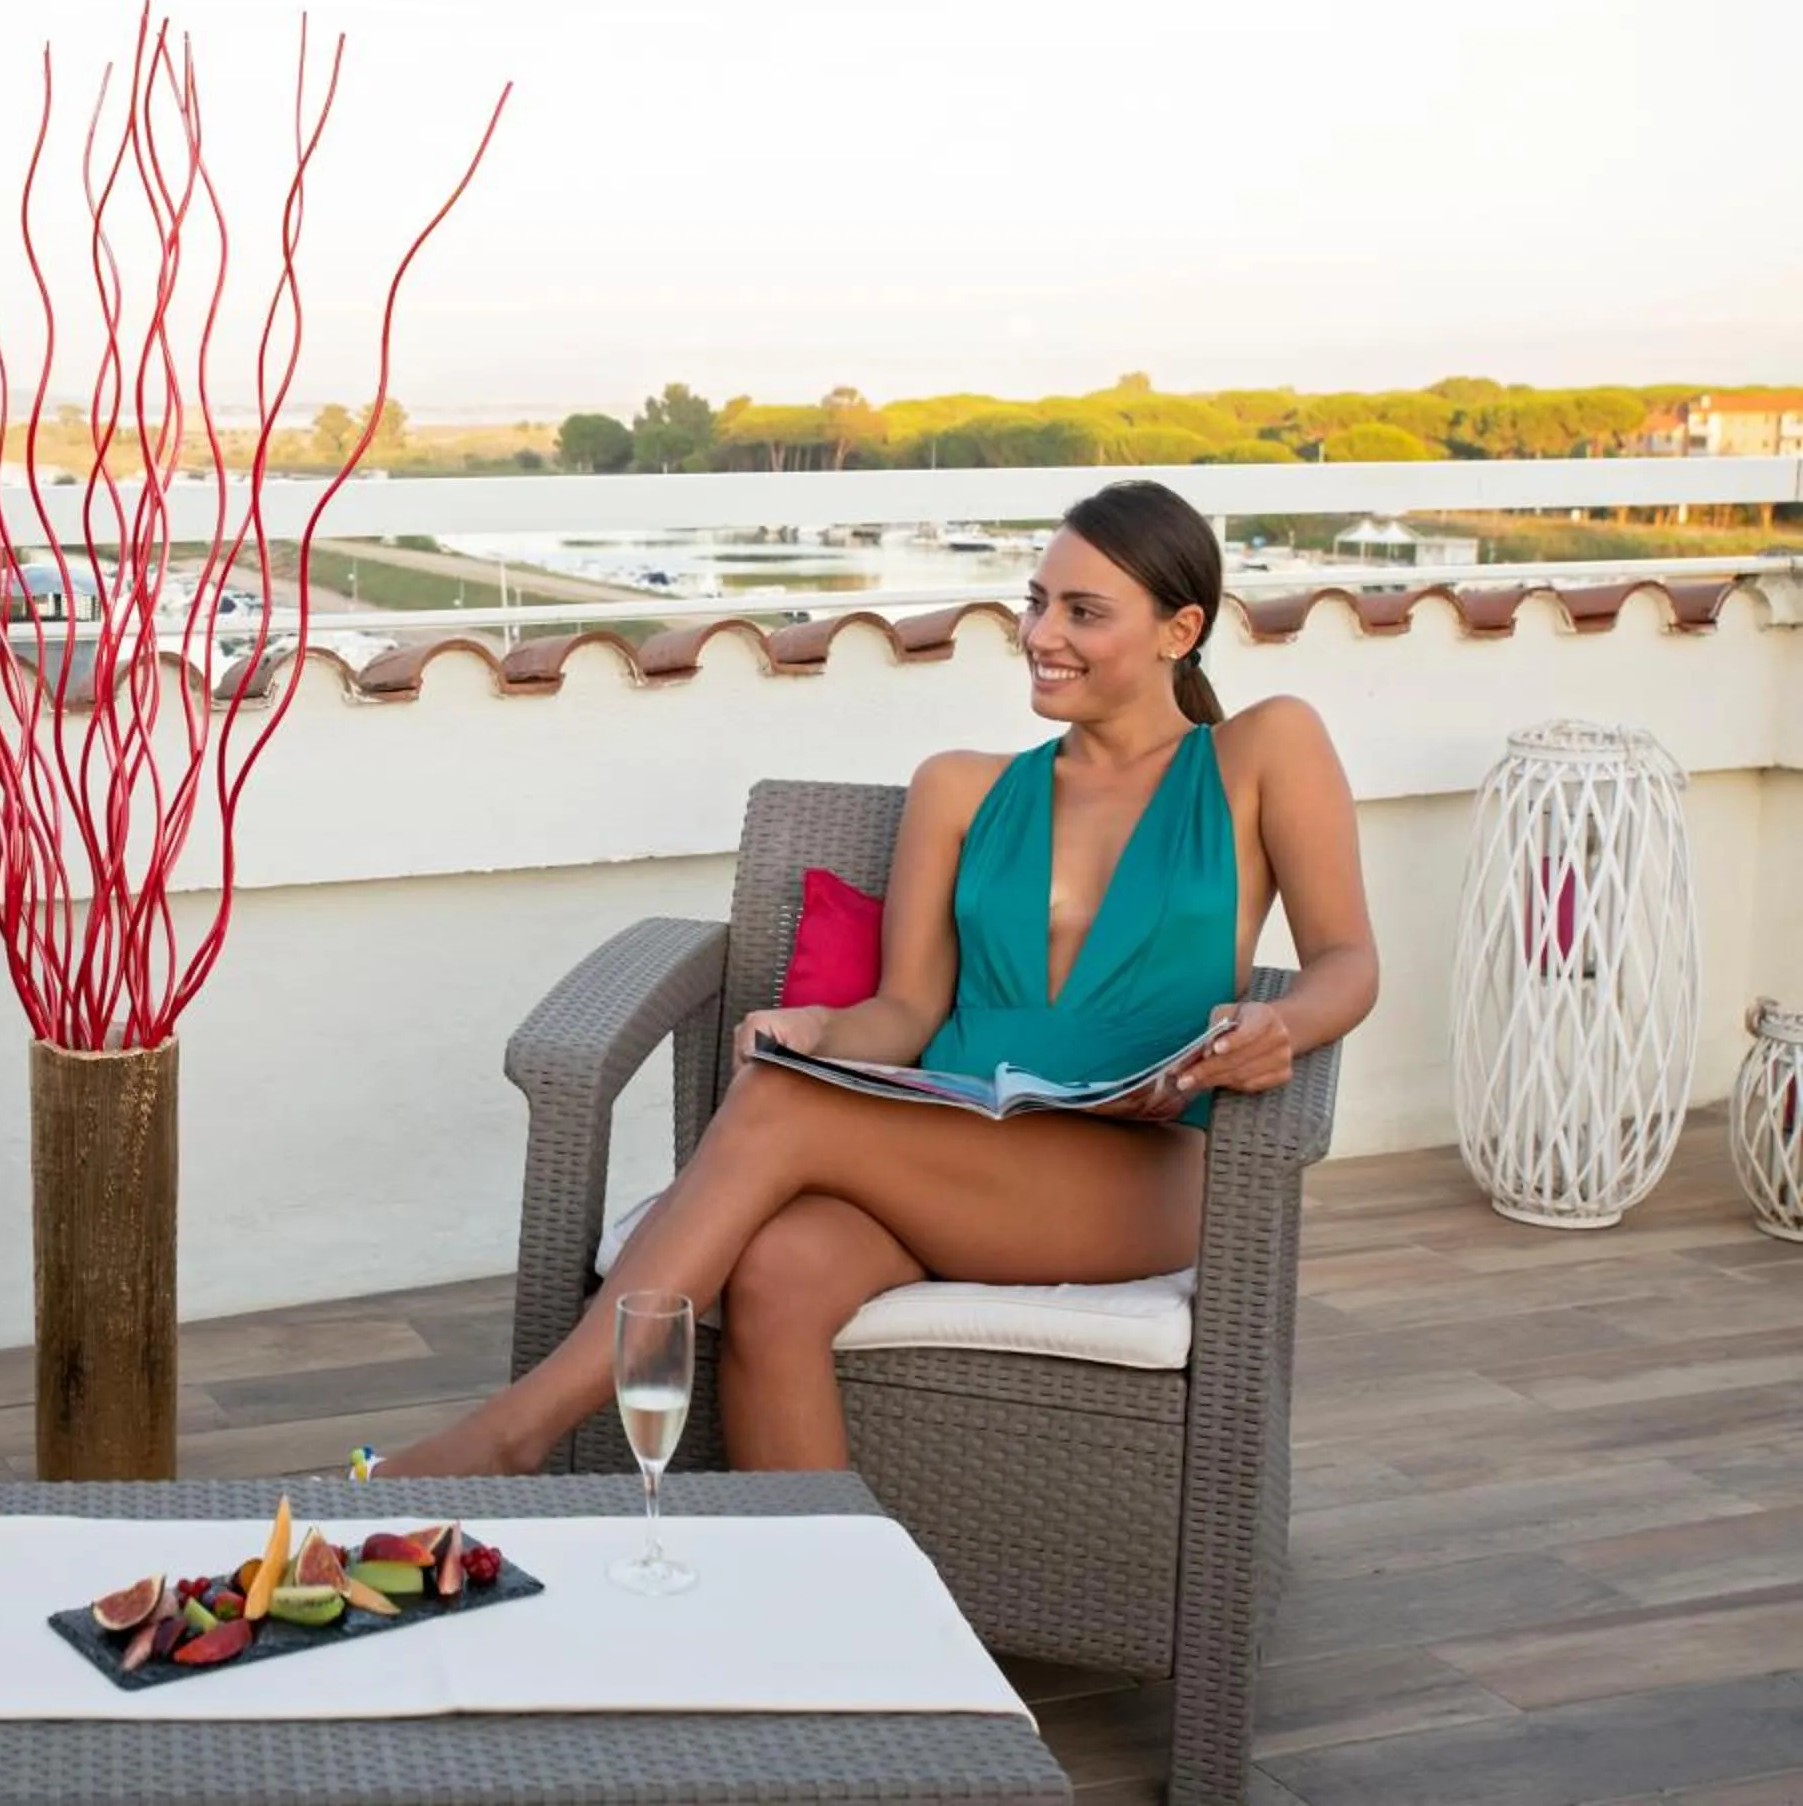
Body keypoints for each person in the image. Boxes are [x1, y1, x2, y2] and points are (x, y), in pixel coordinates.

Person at [379, 478, 1376, 1477]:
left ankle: (514, 1432)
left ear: (1179, 628)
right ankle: (829, 1596)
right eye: (1036, 601)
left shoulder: (1263, 749)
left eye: (1084, 610)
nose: (1042, 633)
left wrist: (1283, 1023)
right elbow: (907, 1010)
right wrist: (817, 1029)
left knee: (780, 1105)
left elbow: (1348, 961)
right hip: (959, 1141)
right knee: (777, 1272)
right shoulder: (963, 786)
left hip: (1142, 1165)